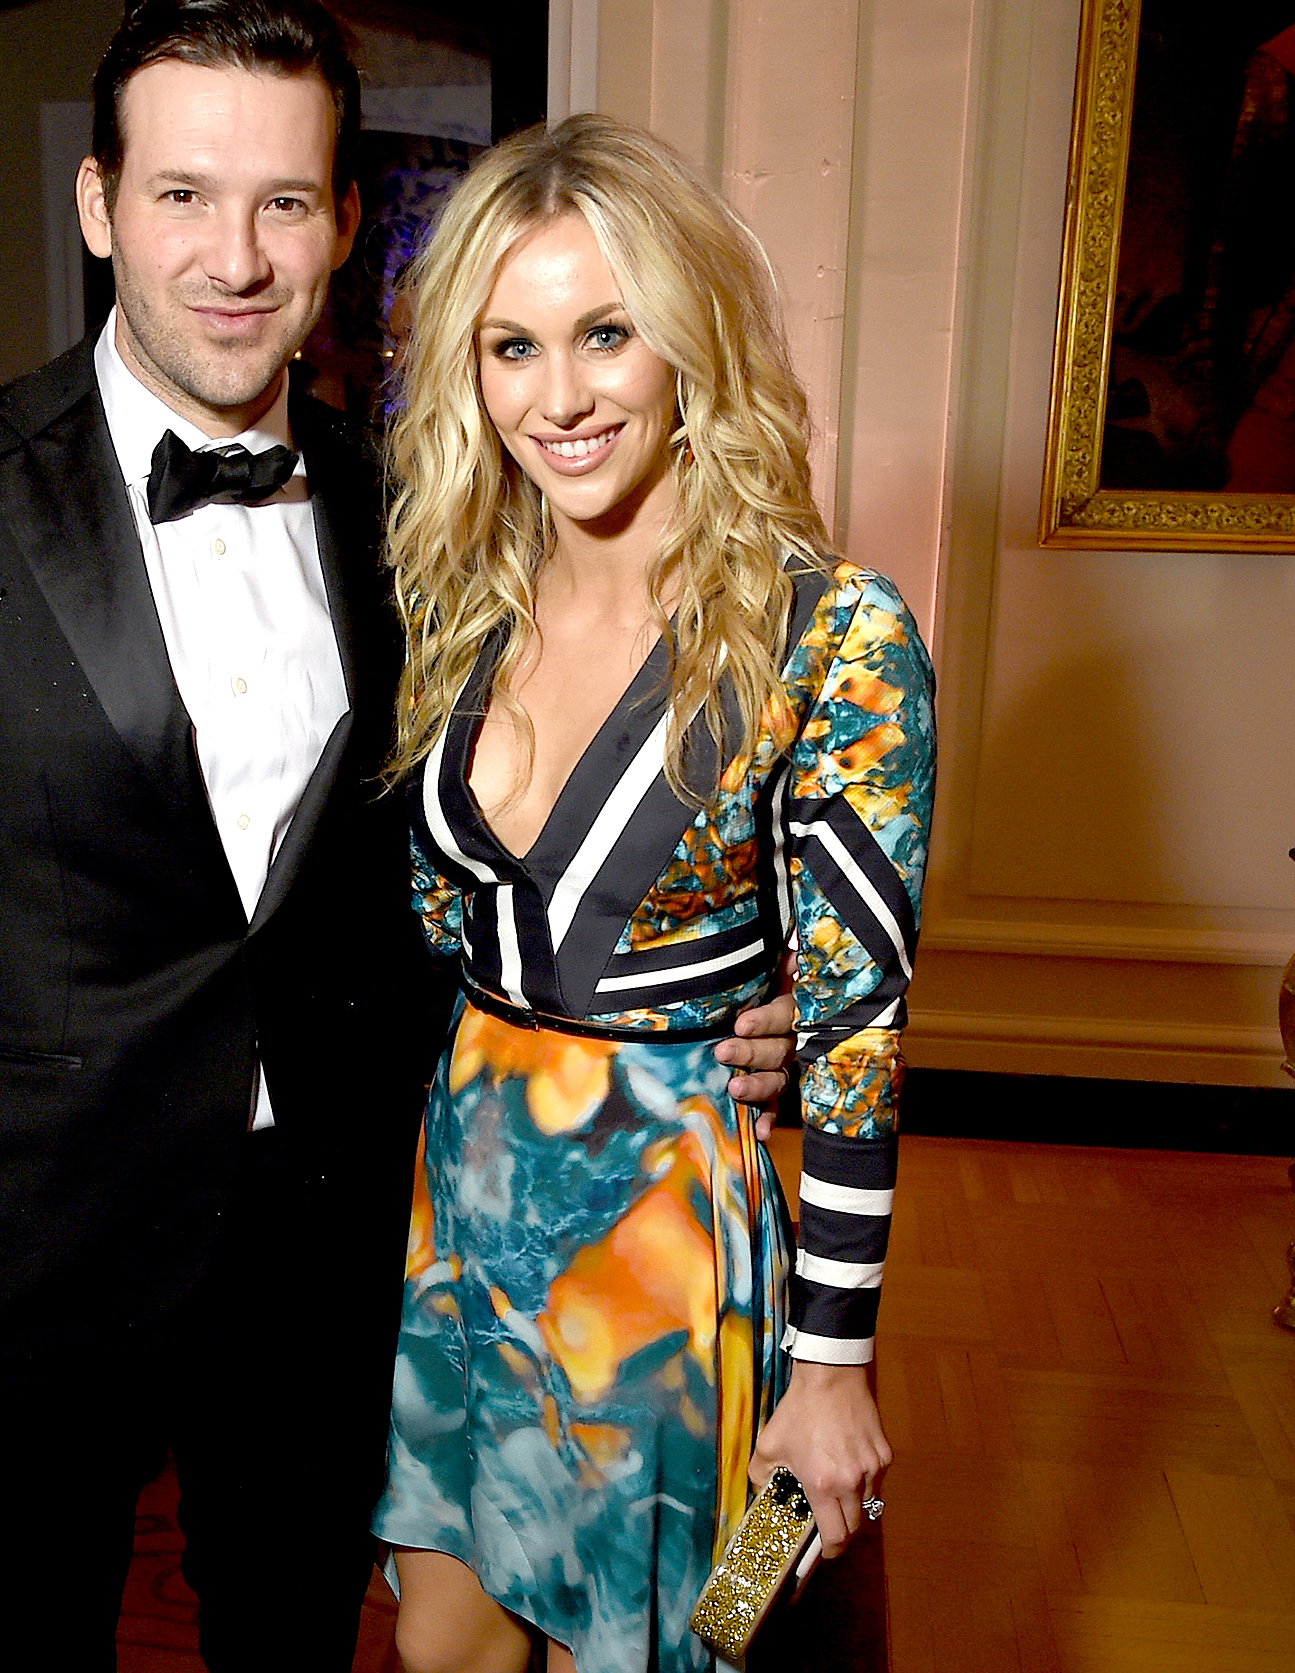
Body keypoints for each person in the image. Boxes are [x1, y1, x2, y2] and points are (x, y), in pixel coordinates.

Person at [0, 0, 795, 1670]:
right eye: (180, 193)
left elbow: (516, 846)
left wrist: (736, 996)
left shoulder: (424, 525)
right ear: (99, 204)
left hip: (322, 1256)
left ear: (341, 222)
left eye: (282, 201)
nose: (231, 258)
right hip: (16, 1265)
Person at [371, 116, 935, 1673]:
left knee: (704, 1641)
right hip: (468, 1207)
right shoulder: (458, 598)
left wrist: (830, 1369)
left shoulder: (835, 635)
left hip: (683, 1243)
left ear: (687, 337)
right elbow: (442, 931)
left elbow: (862, 1029)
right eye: (511, 345)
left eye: (606, 333)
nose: (560, 397)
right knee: (443, 1646)